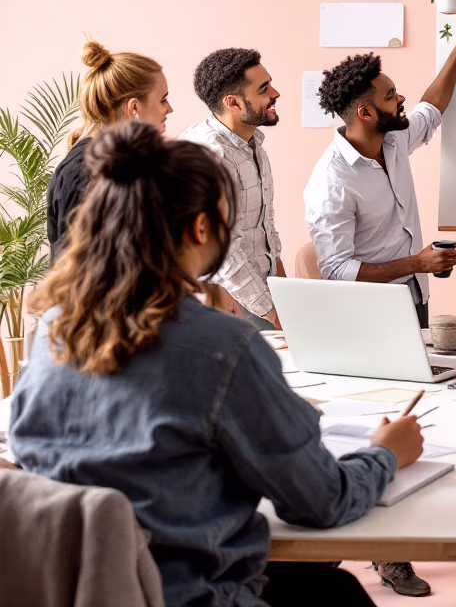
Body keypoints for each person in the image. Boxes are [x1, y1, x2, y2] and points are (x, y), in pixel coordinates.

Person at [10, 122, 424, 607]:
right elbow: (321, 501)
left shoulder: (53, 330)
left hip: (78, 588)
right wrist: (385, 454)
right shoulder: (224, 347)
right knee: (337, 594)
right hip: (192, 593)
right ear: (201, 228)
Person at [304, 0, 456, 598]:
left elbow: (434, 103)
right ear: (363, 110)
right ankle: (367, 549)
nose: (401, 101)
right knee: (375, 426)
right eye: (390, 94)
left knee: (418, 416)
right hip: (368, 315)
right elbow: (336, 271)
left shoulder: (396, 138)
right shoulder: (331, 179)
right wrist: (417, 262)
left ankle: (391, 542)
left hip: (414, 300)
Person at [179, 48, 284, 328]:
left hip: (264, 298)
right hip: (226, 306)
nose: (275, 93)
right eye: (263, 89)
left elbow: (264, 227)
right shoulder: (206, 154)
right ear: (233, 103)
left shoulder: (253, 144)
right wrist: (274, 314)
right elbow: (222, 250)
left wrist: (285, 295)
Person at [47, 40, 172, 259]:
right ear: (134, 107)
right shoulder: (84, 172)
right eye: (163, 100)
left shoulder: (127, 161)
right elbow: (78, 275)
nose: (170, 109)